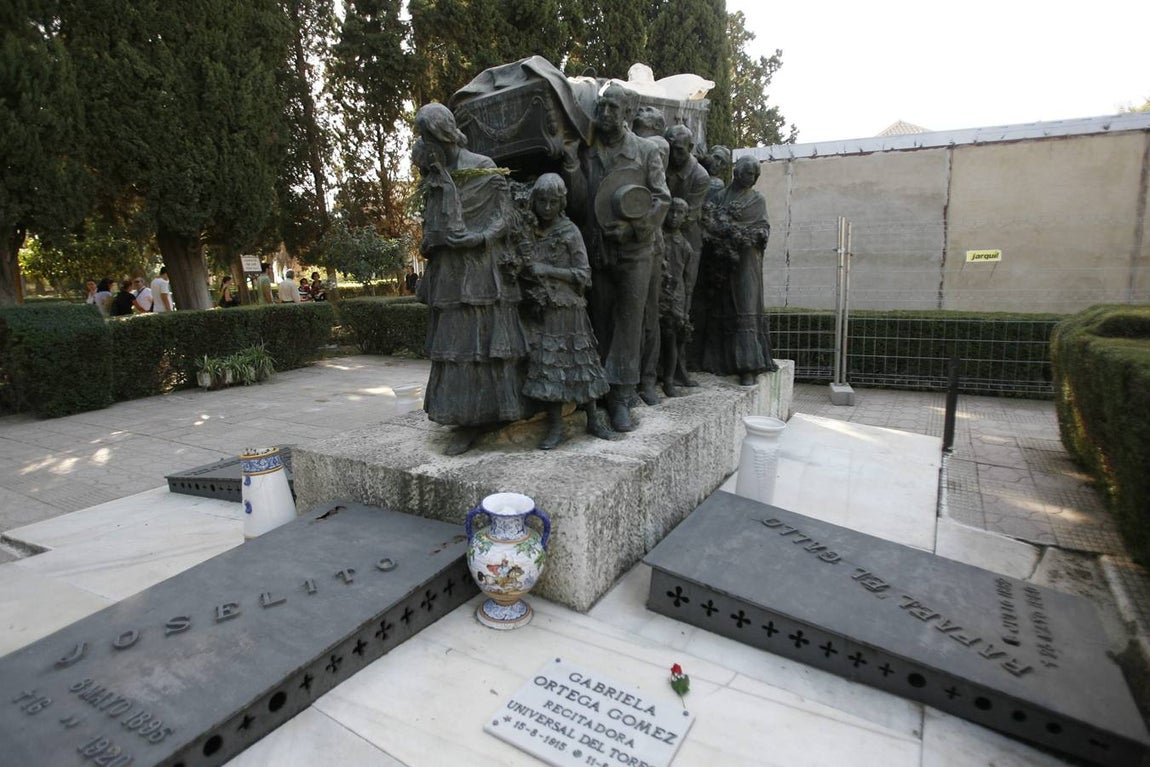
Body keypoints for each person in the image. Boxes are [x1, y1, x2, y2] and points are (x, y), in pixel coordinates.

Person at [413, 103, 529, 455]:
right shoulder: (433, 173)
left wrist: (478, 237)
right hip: (449, 272)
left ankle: (488, 416)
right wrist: (430, 240)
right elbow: (431, 220)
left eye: (426, 135)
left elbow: (505, 217)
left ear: (442, 134)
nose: (422, 142)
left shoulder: (481, 166)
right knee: (456, 349)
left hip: (481, 267)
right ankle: (463, 417)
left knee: (484, 344)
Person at [560, 82, 671, 432]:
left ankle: (622, 397)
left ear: (626, 114)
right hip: (598, 248)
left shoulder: (645, 150)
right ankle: (598, 394)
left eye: (613, 108)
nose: (605, 113)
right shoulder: (587, 151)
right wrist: (573, 169)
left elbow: (661, 199)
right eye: (602, 107)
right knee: (599, 320)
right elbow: (579, 204)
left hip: (635, 251)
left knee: (628, 322)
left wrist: (635, 229)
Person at [519, 174, 611, 449]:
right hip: (545, 309)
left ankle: (594, 418)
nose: (546, 207)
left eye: (552, 202)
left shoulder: (570, 232)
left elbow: (584, 274)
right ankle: (556, 426)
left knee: (581, 364)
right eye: (542, 201)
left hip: (569, 308)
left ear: (561, 203)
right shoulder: (530, 230)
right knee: (551, 369)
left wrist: (548, 270)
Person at [697, 155, 778, 384]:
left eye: (753, 175)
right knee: (722, 306)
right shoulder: (720, 196)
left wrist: (754, 234)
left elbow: (763, 226)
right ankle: (719, 361)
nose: (750, 178)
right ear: (736, 172)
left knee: (745, 306)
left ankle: (748, 366)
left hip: (746, 260)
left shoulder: (757, 200)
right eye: (746, 173)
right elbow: (710, 220)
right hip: (723, 261)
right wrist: (723, 232)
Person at [664, 125, 711, 388]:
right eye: (670, 149)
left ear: (690, 149)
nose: (673, 155)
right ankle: (664, 368)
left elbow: (688, 214)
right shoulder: (665, 164)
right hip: (665, 239)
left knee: (682, 307)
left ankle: (680, 368)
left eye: (679, 150)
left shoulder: (699, 176)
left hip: (686, 245)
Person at [659, 198, 693, 397]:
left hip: (676, 298)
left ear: (685, 217)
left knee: (673, 340)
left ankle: (670, 379)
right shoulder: (659, 238)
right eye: (671, 211)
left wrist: (685, 309)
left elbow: (688, 280)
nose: (674, 216)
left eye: (679, 213)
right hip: (658, 294)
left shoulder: (685, 246)